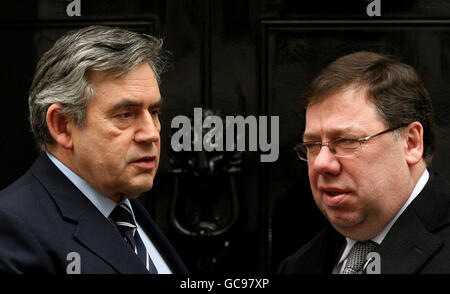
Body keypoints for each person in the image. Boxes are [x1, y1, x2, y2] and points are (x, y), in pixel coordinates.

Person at [0, 26, 188, 274]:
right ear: (62, 125)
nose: (152, 133)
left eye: (153, 112)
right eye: (125, 115)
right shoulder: (11, 228)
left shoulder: (124, 207)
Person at [277, 51, 450, 274]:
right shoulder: (298, 266)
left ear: (411, 143)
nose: (321, 164)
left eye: (346, 141)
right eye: (312, 145)